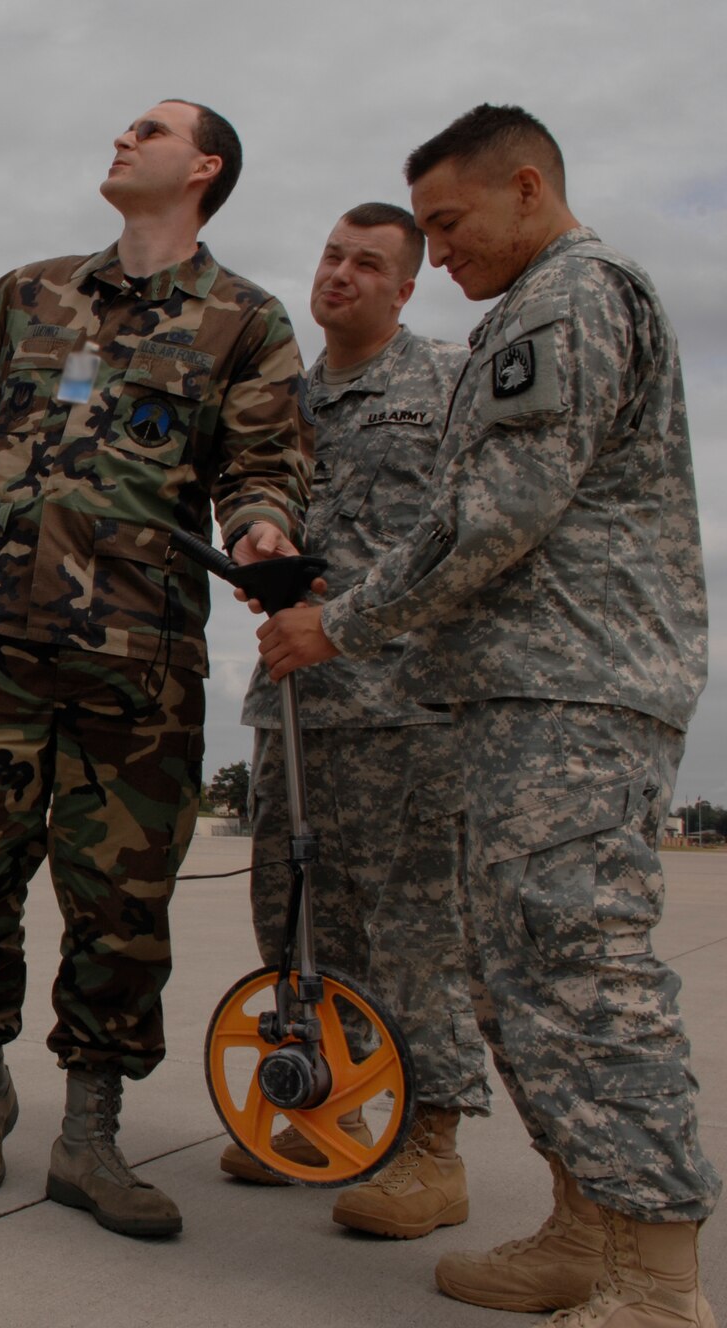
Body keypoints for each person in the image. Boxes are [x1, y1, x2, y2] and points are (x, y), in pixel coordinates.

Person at [0, 99, 310, 1239]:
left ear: (203, 167)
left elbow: (264, 462)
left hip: (140, 664)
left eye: (149, 129)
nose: (121, 138)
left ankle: (90, 1132)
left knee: (119, 909)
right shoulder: (35, 291)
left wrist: (266, 528)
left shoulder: (246, 319)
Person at [256, 105, 714, 1325]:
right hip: (517, 689)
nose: (436, 253)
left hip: (573, 686)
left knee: (579, 964)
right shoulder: (524, 306)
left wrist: (335, 622)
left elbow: (491, 516)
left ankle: (654, 1278)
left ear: (525, 188)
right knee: (521, 974)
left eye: (446, 226)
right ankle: (584, 1227)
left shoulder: (569, 294)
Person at [222, 204, 492, 1241]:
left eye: (367, 263)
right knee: (291, 918)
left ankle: (429, 1145)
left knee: (411, 930)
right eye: (331, 255)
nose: (340, 274)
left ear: (404, 286)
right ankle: (319, 1108)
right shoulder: (276, 400)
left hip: (408, 704)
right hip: (292, 705)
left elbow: (473, 529)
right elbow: (242, 495)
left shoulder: (447, 381)